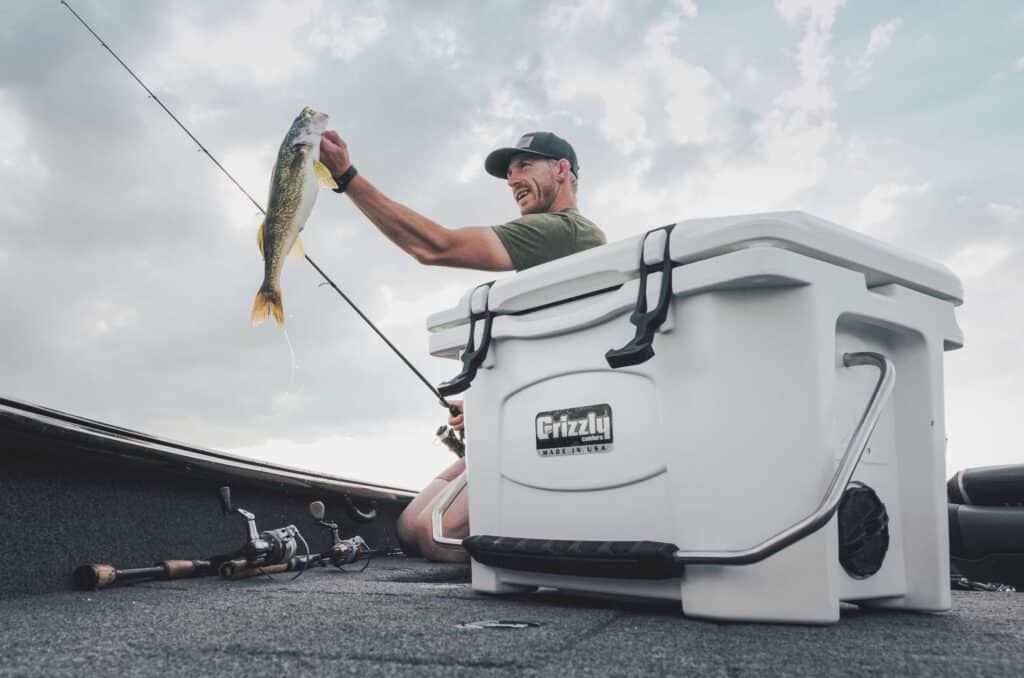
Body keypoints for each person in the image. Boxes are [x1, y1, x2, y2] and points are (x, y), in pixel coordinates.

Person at [319, 130, 606, 561]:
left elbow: (436, 247)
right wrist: (484, 408)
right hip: (525, 415)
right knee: (410, 528)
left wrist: (346, 177)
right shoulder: (553, 245)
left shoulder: (566, 232)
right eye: (509, 174)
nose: (512, 180)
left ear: (562, 171)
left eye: (524, 166)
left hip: (557, 428)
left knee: (439, 539)